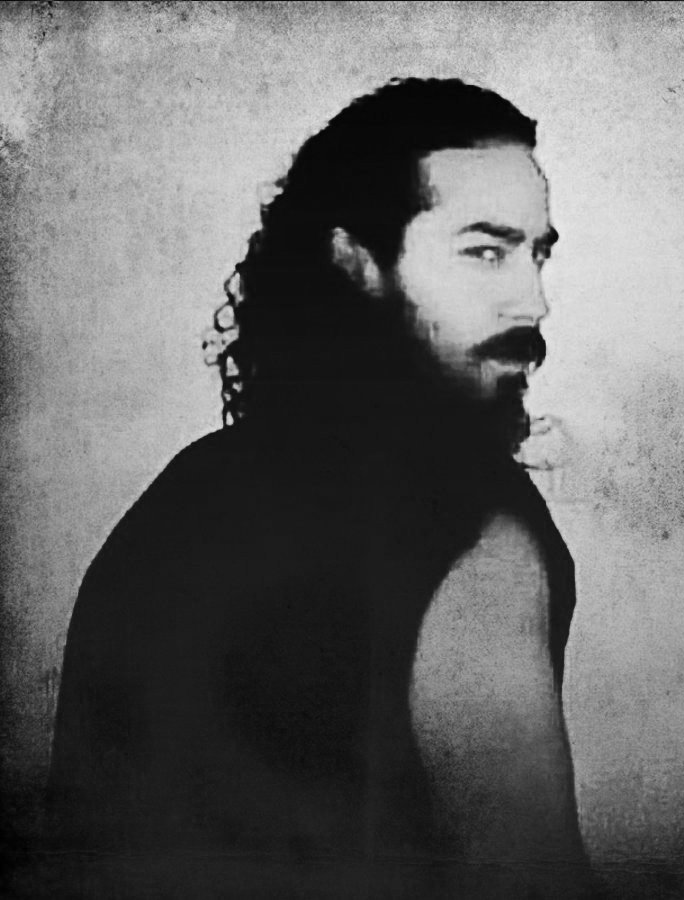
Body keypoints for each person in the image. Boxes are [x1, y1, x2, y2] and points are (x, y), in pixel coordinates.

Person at [45, 78, 596, 898]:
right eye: (486, 251)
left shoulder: (185, 493)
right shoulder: (478, 528)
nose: (534, 301)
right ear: (357, 263)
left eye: (537, 253)